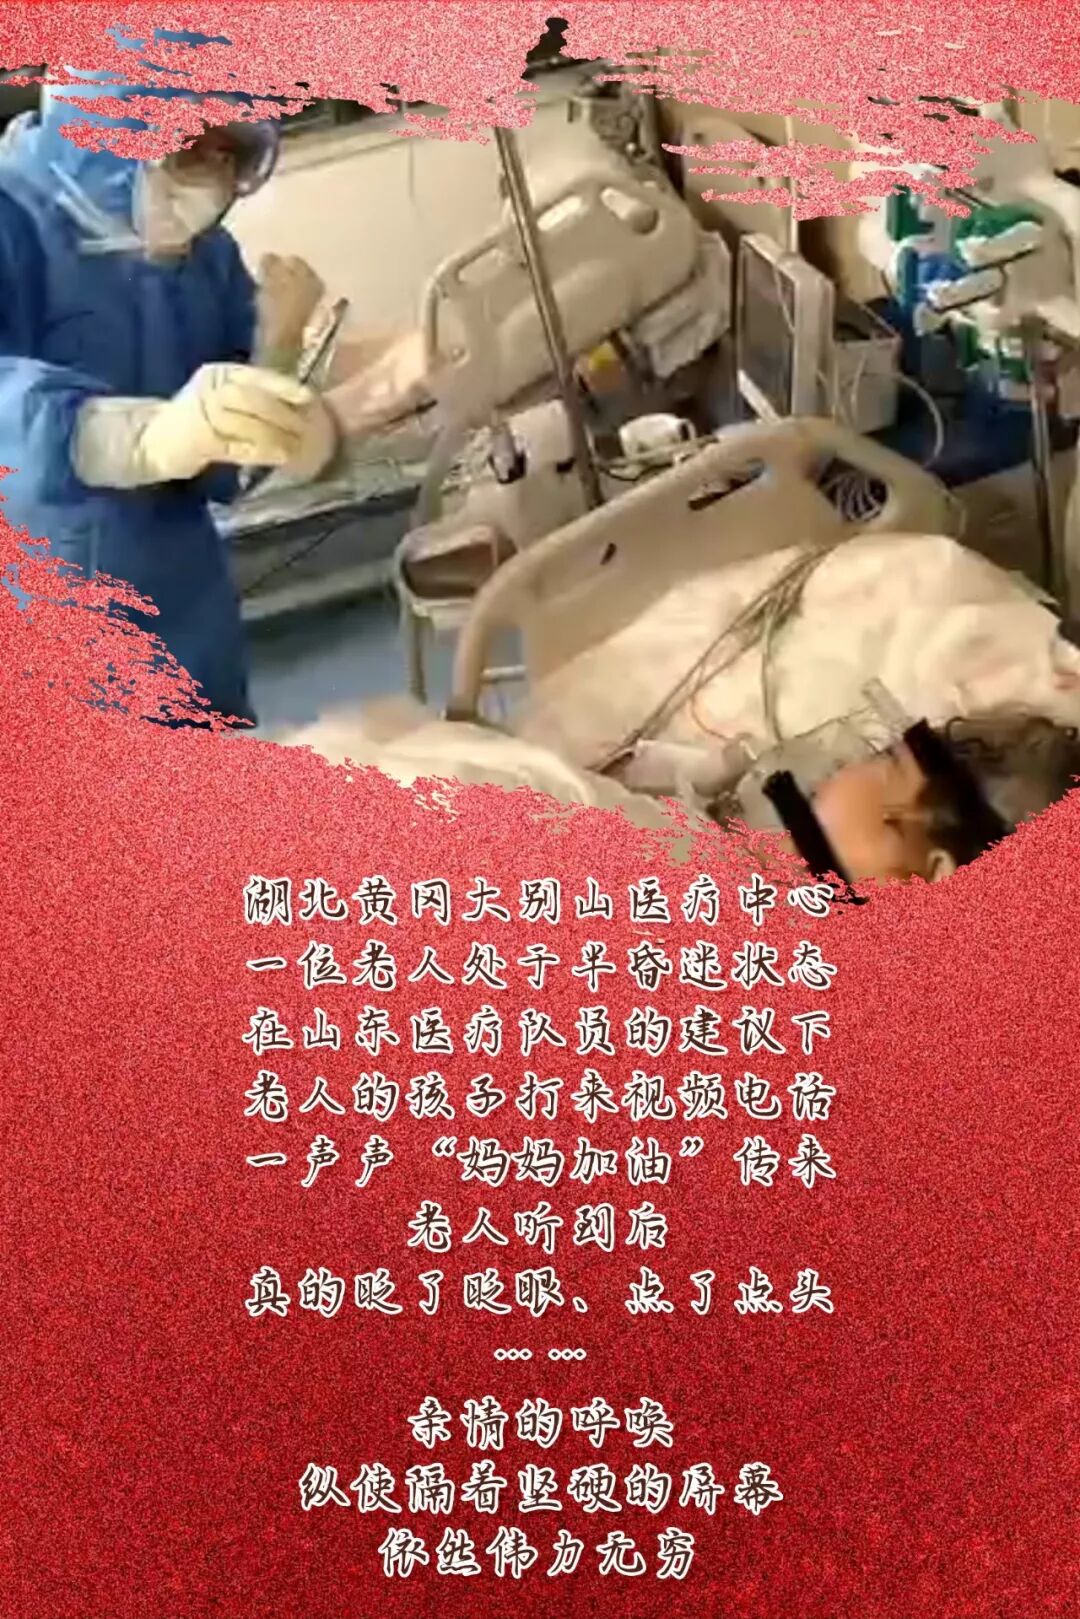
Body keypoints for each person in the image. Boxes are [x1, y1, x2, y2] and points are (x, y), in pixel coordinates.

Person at [0, 73, 338, 725]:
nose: (210, 183)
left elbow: (230, 457)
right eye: (189, 147)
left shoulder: (203, 258)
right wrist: (130, 438)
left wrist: (277, 351)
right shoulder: (12, 225)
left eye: (228, 156)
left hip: (181, 619)